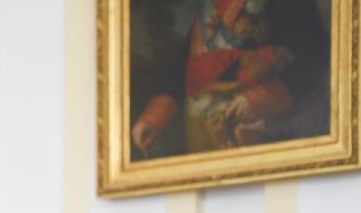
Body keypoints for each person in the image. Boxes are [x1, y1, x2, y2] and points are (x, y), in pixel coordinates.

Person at [130, 0, 331, 159]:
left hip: (258, 138)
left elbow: (314, 56)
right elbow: (184, 68)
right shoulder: (210, 6)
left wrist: (262, 98)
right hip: (201, 139)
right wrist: (154, 118)